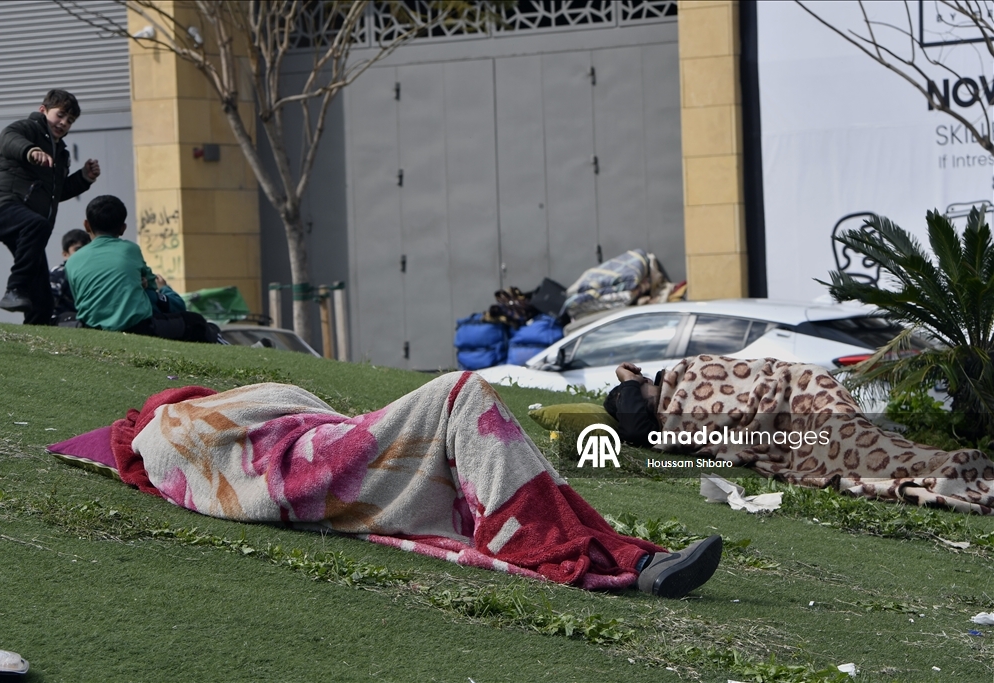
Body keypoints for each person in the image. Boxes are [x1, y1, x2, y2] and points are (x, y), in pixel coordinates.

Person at [86, 372, 723, 596]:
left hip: (328, 451)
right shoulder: (167, 427)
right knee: (458, 392)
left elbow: (302, 411)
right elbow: (210, 463)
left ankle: (632, 558)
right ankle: (602, 553)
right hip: (315, 464)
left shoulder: (227, 407)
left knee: (471, 436)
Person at [603, 358, 993, 514]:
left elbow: (763, 381)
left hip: (803, 391)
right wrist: (628, 379)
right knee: (857, 450)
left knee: (863, 442)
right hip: (798, 410)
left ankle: (948, 468)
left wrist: (634, 383)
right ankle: (946, 468)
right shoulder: (663, 399)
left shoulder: (689, 372)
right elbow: (638, 428)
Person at [0, 89, 100, 324]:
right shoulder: (28, 128)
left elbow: (56, 193)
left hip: (32, 226)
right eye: (60, 115)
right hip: (5, 207)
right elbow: (8, 138)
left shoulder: (62, 154)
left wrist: (83, 178)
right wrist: (31, 150)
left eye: (70, 121)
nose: (64, 123)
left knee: (43, 302)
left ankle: (32, 344)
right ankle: (14, 289)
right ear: (43, 110)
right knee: (38, 225)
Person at [65, 195, 221, 343]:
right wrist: (161, 287)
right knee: (195, 321)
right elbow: (152, 287)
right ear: (123, 228)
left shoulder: (72, 261)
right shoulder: (130, 249)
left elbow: (80, 298)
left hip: (92, 328)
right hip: (138, 328)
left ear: (86, 225)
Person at [50, 229, 90, 324]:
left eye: (87, 249)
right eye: (78, 250)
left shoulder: (91, 274)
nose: (83, 253)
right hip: (60, 319)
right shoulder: (60, 272)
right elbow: (48, 302)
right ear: (65, 254)